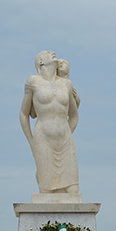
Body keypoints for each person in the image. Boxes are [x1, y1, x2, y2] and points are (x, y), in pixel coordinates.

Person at [20, 51, 79, 194]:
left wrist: (66, 134)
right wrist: (31, 142)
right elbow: (23, 114)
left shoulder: (66, 84)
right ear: (41, 62)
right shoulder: (33, 81)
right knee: (46, 191)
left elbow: (74, 116)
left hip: (64, 140)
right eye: (47, 53)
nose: (52, 53)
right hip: (43, 139)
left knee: (73, 190)